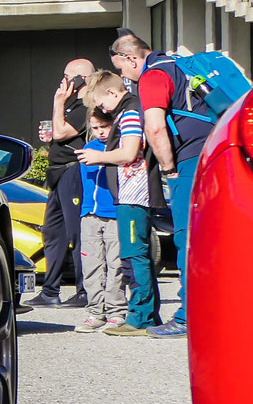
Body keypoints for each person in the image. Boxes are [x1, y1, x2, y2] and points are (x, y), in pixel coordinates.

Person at [110, 31, 200, 340]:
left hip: (190, 161)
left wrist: (169, 169)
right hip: (219, 152)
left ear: (131, 58)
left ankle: (189, 316)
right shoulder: (183, 65)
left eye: (123, 70)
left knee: (187, 239)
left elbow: (156, 126)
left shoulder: (153, 75)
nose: (125, 78)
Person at [78, 72, 157, 334]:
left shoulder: (131, 112)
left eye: (102, 103)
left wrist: (99, 157)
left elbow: (129, 152)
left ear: (112, 93)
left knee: (133, 256)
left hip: (133, 194)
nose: (102, 110)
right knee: (128, 257)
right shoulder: (127, 111)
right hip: (125, 195)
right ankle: (139, 314)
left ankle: (139, 316)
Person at [29, 57, 97, 308]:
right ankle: (50, 290)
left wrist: (58, 102)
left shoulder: (86, 106)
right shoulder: (72, 106)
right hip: (58, 172)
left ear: (82, 79)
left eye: (68, 76)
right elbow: (57, 136)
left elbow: (60, 132)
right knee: (52, 231)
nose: (63, 81)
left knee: (76, 231)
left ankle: (83, 290)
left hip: (73, 172)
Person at [73, 109, 124, 332]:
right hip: (89, 213)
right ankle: (95, 310)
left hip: (113, 212)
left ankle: (116, 310)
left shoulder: (122, 147)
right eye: (95, 128)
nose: (100, 132)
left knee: (116, 264)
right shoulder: (88, 147)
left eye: (104, 127)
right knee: (91, 264)